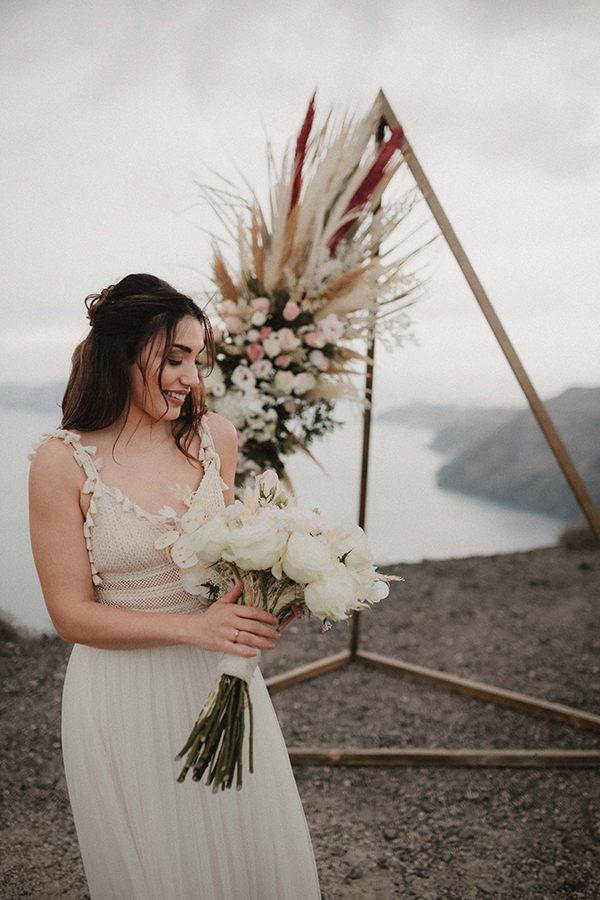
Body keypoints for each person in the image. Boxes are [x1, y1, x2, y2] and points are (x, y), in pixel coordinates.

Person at [28, 274, 322, 900]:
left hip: (216, 676)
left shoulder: (215, 438)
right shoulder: (61, 462)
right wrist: (193, 627)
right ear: (120, 353)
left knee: (246, 853)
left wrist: (271, 597)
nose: (189, 376)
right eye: (174, 357)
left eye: (196, 359)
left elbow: (223, 565)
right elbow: (71, 615)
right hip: (120, 696)